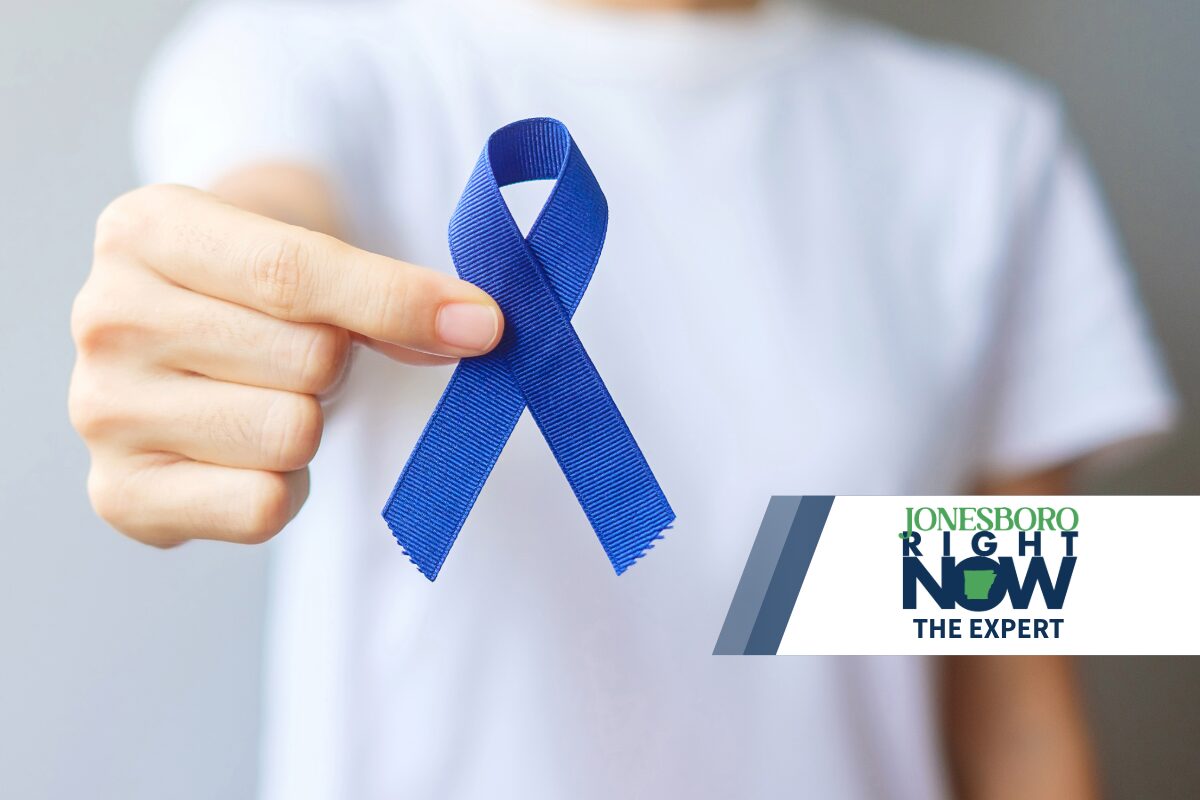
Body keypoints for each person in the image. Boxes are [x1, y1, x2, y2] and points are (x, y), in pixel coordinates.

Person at [67, 0, 1175, 797]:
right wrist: (220, 317)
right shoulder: (310, 59)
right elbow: (263, 219)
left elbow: (1010, 695)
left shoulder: (982, 149)